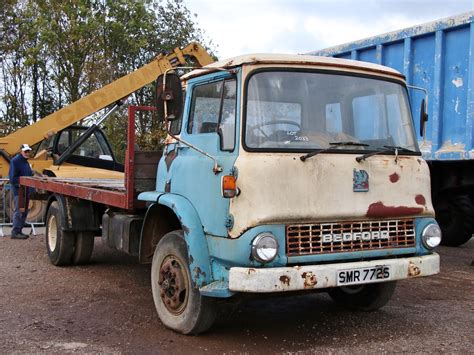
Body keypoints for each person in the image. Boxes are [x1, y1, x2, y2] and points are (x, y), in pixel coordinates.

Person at [8, 144, 34, 239]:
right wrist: (21, 186)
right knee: (19, 211)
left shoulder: (25, 161)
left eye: (28, 151)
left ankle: (19, 230)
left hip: (25, 190)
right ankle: (15, 232)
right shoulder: (15, 161)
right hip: (20, 190)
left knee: (23, 211)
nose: (27, 153)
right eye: (25, 151)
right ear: (21, 151)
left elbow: (29, 174)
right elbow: (12, 178)